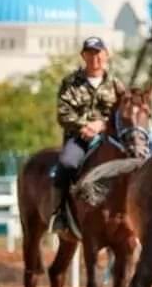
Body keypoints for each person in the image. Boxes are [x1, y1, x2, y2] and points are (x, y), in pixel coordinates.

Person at [51, 37, 127, 230]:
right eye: (90, 53)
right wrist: (84, 126)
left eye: (98, 53)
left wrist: (101, 125)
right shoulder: (70, 83)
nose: (95, 58)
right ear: (83, 56)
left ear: (106, 55)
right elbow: (63, 112)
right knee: (67, 164)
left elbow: (122, 113)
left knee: (136, 163)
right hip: (79, 138)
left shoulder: (117, 85)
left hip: (110, 138)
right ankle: (60, 214)